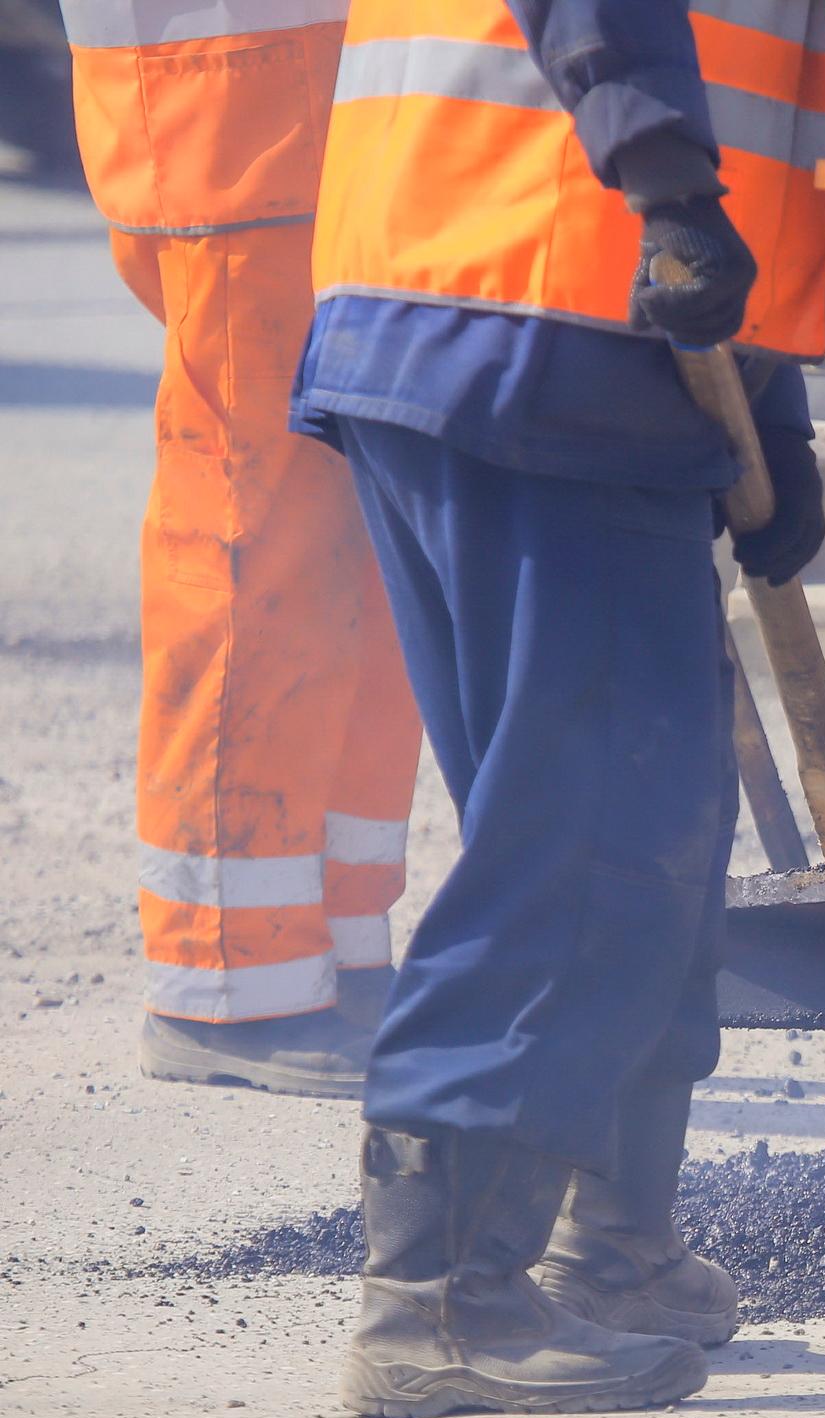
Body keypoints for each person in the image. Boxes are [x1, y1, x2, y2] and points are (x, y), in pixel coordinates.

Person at [292, 0, 825, 1418]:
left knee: (621, 822)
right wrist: (669, 189)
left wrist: (767, 423)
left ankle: (608, 1243)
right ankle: (438, 1299)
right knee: (597, 838)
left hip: (478, 313)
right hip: (540, 319)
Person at [57, 0, 423, 1097]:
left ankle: (335, 944)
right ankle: (226, 977)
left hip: (330, 106)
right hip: (241, 104)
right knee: (252, 540)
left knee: (365, 546)